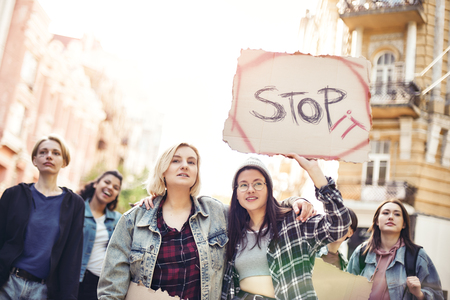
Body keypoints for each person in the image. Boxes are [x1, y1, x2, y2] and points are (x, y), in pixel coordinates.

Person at [98, 143, 315, 300]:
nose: (185, 165)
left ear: (196, 173)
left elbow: (257, 206)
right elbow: (111, 289)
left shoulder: (216, 213)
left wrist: (296, 200)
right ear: (163, 170)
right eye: (176, 160)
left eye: (191, 162)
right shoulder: (133, 220)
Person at [221, 155, 351, 300]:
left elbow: (339, 225)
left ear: (269, 189)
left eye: (258, 183)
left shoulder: (293, 223)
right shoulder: (232, 231)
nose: (250, 189)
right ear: (236, 194)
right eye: (243, 185)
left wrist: (314, 170)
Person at [0, 134, 85, 300]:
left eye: (56, 153)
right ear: (34, 160)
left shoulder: (74, 204)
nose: (49, 156)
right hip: (7, 283)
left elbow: (72, 257)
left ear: (64, 161)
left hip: (42, 291)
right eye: (43, 152)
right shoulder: (13, 195)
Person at [347, 199, 444, 300]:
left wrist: (419, 294)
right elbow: (346, 290)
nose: (390, 217)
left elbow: (438, 296)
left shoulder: (417, 256)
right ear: (376, 221)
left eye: (397, 214)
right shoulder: (362, 252)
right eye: (385, 213)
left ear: (404, 224)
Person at [78, 170, 123, 300]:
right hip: (73, 278)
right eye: (106, 182)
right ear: (95, 184)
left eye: (116, 187)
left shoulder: (118, 220)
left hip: (98, 285)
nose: (110, 188)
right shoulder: (77, 209)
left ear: (116, 195)